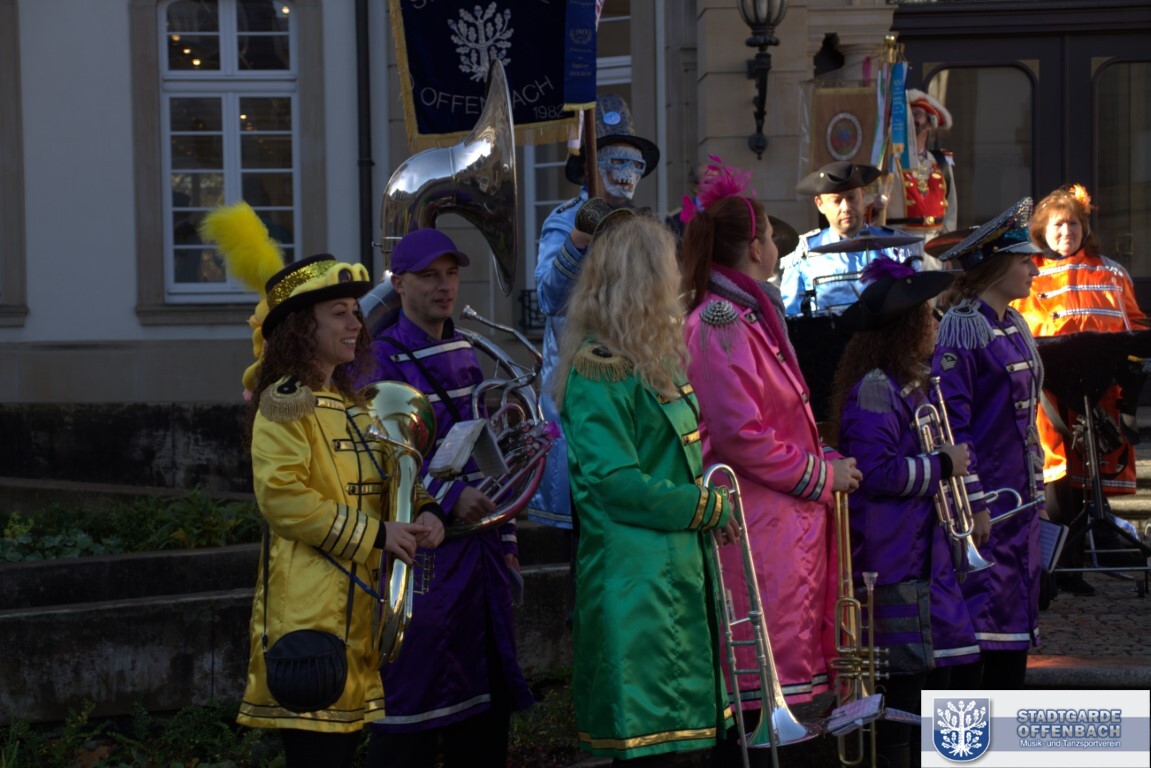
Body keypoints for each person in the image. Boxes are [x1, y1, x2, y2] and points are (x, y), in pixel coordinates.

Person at [201, 202, 445, 768]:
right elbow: (284, 500)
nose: (356, 324)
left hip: (357, 623)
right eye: (339, 313)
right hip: (309, 626)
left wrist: (427, 510)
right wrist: (378, 536)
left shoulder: (353, 404)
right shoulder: (285, 402)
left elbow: (393, 474)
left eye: (355, 312)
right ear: (302, 327)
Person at [678, 159, 862, 763]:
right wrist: (820, 475)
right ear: (755, 247)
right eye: (771, 237)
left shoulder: (748, 314)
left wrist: (823, 457)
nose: (778, 246)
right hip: (759, 528)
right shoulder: (721, 321)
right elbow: (739, 436)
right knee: (762, 695)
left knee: (788, 686)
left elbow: (776, 421)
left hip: (780, 527)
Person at [556, 211, 736, 767]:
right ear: (645, 280)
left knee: (691, 747)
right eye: (667, 271)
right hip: (636, 585)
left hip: (675, 572)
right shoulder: (600, 368)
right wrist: (705, 506)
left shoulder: (653, 362)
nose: (677, 283)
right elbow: (616, 485)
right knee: (658, 751)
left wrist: (705, 507)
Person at [364, 229, 533, 768]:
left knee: (483, 716)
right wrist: (449, 494)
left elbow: (485, 448)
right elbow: (381, 460)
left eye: (452, 274)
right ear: (398, 283)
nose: (445, 286)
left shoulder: (464, 350)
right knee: (411, 714)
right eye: (429, 276)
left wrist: (508, 540)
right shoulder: (381, 359)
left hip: (481, 558)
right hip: (425, 557)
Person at [831, 257, 977, 768]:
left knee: (936, 683)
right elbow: (875, 471)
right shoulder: (877, 386)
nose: (936, 323)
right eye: (927, 315)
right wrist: (942, 465)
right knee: (906, 694)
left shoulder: (908, 383)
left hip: (921, 559)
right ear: (906, 327)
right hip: (894, 561)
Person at [531, 92, 660, 532]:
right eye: (617, 161)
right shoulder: (564, 221)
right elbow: (548, 298)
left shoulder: (642, 229)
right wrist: (579, 240)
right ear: (593, 165)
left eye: (635, 164)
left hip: (633, 387)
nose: (628, 173)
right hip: (580, 389)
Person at [932, 198, 1047, 690]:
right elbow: (953, 426)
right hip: (989, 510)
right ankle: (970, 734)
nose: (1034, 270)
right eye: (1024, 261)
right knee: (981, 632)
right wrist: (973, 503)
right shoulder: (963, 326)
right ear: (997, 266)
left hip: (1020, 503)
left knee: (1013, 633)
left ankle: (1006, 732)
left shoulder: (1012, 323)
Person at [1012, 184, 1147, 597]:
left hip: (1098, 390)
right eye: (1058, 224)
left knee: (1092, 472)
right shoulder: (1030, 273)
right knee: (1057, 476)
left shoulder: (1111, 272)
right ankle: (1063, 565)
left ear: (1085, 228)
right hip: (1049, 394)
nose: (1066, 232)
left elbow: (1134, 326)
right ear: (1042, 230)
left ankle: (1089, 552)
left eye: (1073, 224)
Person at [778, 160, 923, 318]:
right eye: (836, 201)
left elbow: (916, 304)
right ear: (820, 204)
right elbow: (789, 314)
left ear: (863, 194)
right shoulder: (803, 252)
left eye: (852, 197)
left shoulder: (896, 246)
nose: (846, 207)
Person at [884, 88, 958, 239]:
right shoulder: (888, 160)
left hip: (933, 244)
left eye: (917, 114)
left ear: (930, 123)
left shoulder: (941, 161)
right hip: (899, 240)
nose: (911, 119)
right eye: (907, 115)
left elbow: (951, 210)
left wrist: (948, 245)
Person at [664, 160, 711, 244]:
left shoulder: (726, 213)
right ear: (695, 187)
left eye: (718, 181)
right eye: (708, 182)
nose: (715, 186)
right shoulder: (676, 220)